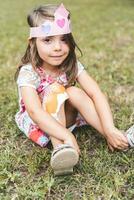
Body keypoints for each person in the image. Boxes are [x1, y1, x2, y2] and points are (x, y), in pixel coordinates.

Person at [15, 3, 133, 175]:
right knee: (55, 89)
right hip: (41, 124)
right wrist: (67, 135)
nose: (57, 47)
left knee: (74, 92)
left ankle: (118, 138)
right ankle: (61, 148)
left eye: (63, 39)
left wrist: (109, 127)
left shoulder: (72, 65)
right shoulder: (28, 72)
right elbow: (34, 112)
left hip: (66, 116)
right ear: (33, 43)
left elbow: (96, 93)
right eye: (48, 40)